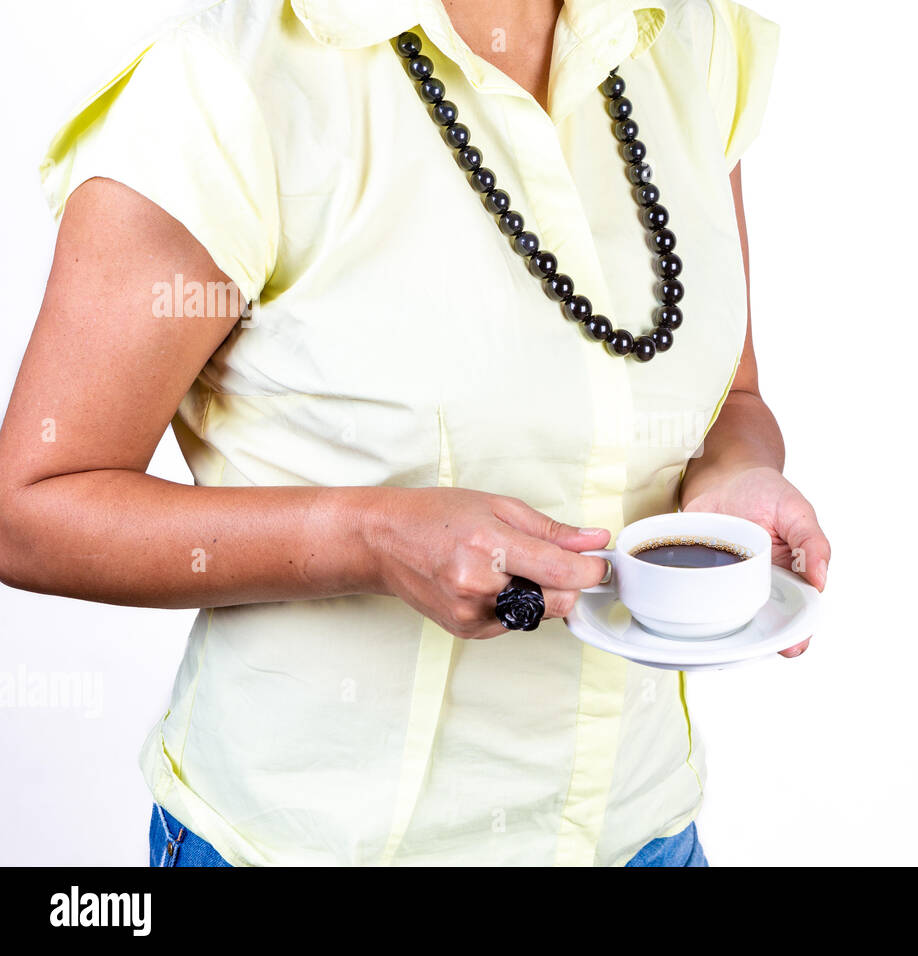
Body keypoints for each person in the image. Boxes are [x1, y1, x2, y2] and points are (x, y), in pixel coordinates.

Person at [0, 0, 829, 866]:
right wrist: (369, 537)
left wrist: (738, 477)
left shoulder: (688, 41)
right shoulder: (221, 84)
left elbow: (731, 396)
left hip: (644, 835)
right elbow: (31, 509)